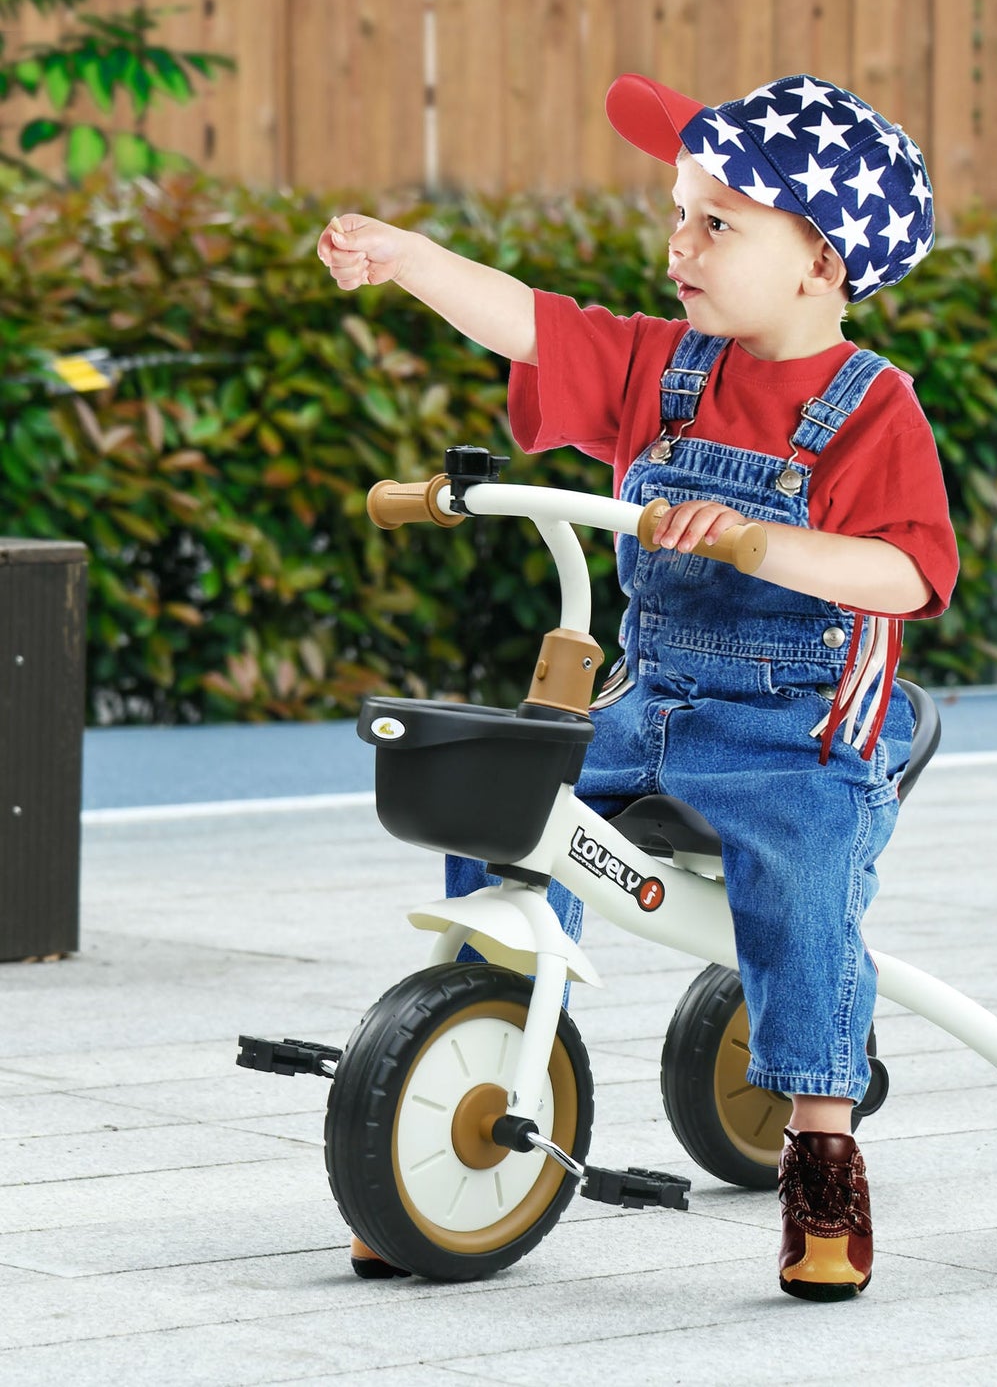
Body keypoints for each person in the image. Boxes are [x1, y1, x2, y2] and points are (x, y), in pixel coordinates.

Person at [318, 72, 958, 1301]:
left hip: (798, 731)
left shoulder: (869, 407)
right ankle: (474, 1058)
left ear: (819, 261)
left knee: (801, 883)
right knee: (506, 807)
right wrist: (409, 257)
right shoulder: (662, 368)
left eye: (716, 221)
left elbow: (904, 569)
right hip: (652, 701)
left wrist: (760, 542)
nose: (679, 244)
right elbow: (532, 323)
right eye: (677, 213)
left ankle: (822, 1142)